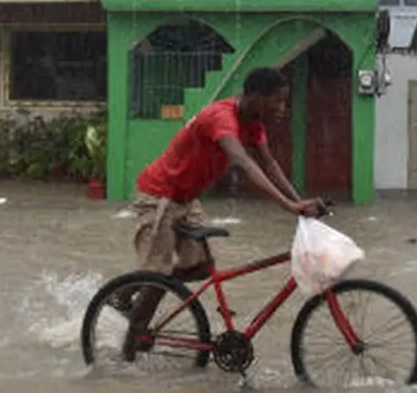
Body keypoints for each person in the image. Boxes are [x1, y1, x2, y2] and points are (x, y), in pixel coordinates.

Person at [116, 67, 325, 362]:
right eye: (277, 101)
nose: (282, 109)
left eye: (284, 101)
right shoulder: (221, 117)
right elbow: (241, 160)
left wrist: (299, 202)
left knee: (200, 269)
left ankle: (131, 289)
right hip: (159, 197)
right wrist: (288, 206)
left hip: (187, 200)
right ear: (255, 97)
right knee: (158, 277)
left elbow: (269, 164)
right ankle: (127, 354)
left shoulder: (253, 123)